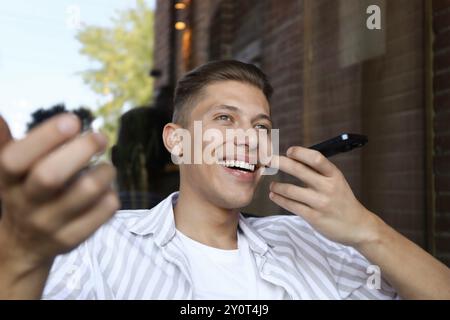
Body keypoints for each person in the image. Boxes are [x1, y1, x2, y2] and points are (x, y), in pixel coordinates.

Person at [0, 60, 449, 299]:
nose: (249, 139)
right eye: (223, 118)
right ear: (177, 143)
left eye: (259, 126)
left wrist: (366, 230)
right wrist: (19, 254)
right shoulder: (99, 244)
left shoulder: (307, 242)